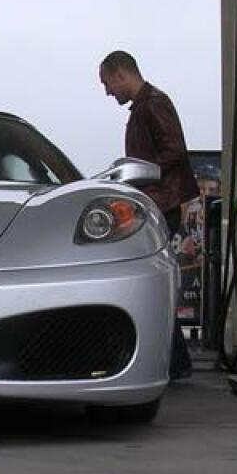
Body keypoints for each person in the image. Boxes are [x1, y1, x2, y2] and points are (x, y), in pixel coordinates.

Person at [98, 50, 199, 379]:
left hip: (162, 202)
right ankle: (175, 362)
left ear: (120, 75)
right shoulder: (146, 105)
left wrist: (139, 171)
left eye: (107, 83)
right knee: (156, 280)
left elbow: (175, 150)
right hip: (159, 201)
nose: (107, 91)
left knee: (153, 280)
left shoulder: (153, 103)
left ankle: (173, 362)